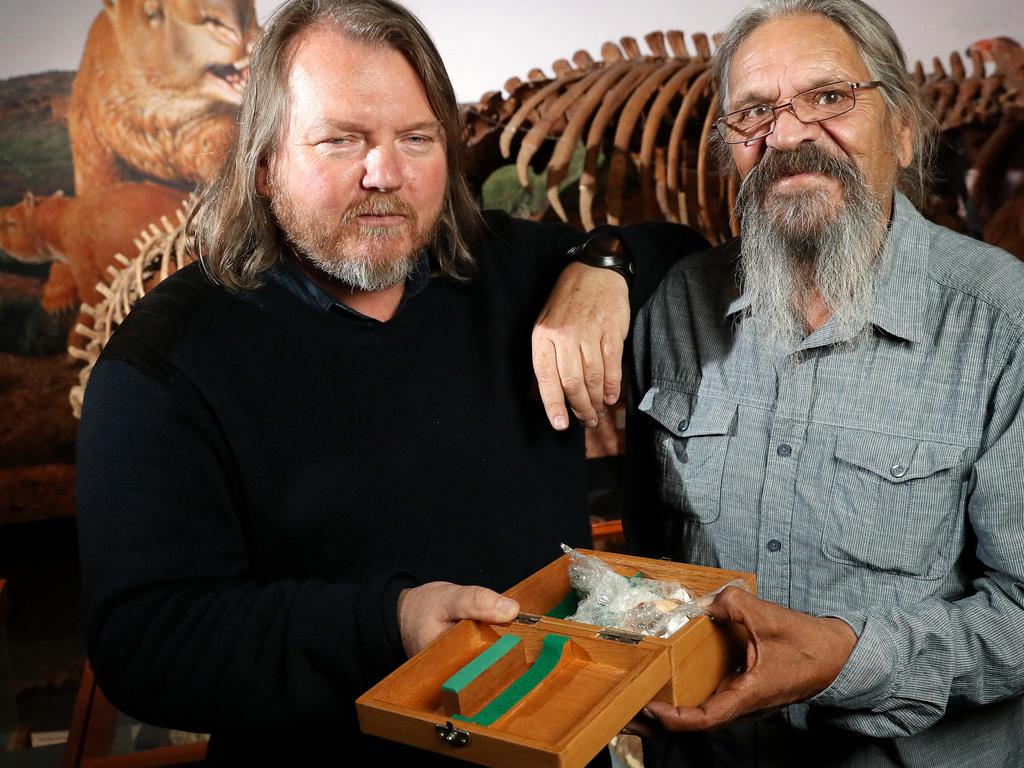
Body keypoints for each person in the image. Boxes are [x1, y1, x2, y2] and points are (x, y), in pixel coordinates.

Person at [73, 0, 707, 764]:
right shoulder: (164, 364)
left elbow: (688, 257)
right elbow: (147, 646)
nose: (387, 173)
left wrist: (606, 265)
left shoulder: (512, 268)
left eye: (416, 138)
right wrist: (391, 625)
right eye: (342, 140)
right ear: (266, 164)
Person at [627, 1, 1024, 766]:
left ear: (903, 130)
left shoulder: (1004, 323)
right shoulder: (677, 308)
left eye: (828, 97)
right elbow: (654, 561)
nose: (789, 134)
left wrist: (850, 658)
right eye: (754, 112)